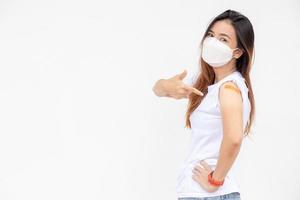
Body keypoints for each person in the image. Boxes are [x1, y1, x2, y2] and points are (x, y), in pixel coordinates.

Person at [152, 9, 255, 200]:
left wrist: (215, 180)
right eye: (211, 35)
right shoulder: (206, 82)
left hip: (209, 194)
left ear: (238, 52)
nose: (213, 42)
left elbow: (234, 139)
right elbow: (156, 89)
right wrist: (168, 86)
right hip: (201, 192)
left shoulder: (229, 89)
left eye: (223, 39)